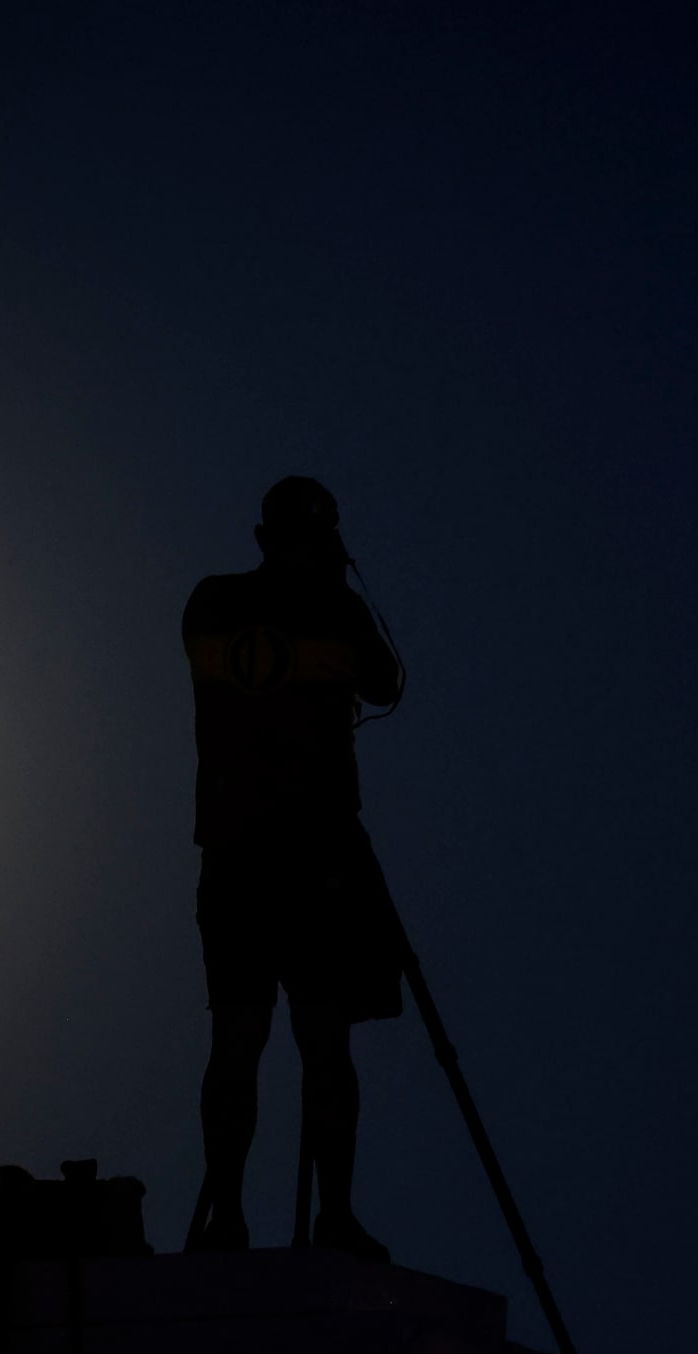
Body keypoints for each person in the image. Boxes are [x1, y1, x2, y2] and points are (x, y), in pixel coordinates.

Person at [184, 476, 405, 1258]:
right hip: (317, 861)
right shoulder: (337, 613)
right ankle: (333, 1216)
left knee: (237, 1043)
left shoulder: (210, 603)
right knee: (325, 1044)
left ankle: (228, 1218)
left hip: (234, 856)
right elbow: (390, 684)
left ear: (261, 535)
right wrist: (338, 589)